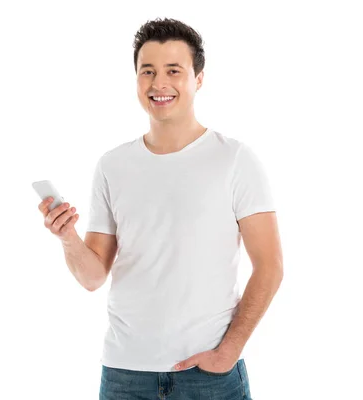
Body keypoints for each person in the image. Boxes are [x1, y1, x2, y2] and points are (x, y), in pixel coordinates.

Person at [37, 17, 283, 400]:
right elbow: (91, 278)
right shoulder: (112, 165)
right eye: (147, 71)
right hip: (125, 375)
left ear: (198, 79)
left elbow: (270, 266)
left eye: (174, 70)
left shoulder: (234, 159)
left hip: (209, 376)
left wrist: (228, 352)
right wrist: (67, 237)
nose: (159, 84)